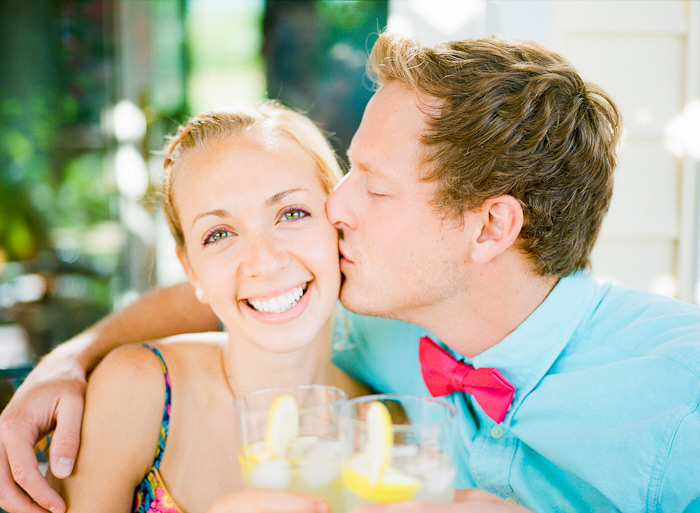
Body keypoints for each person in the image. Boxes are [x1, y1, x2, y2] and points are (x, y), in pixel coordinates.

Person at [2, 32, 700, 513]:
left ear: (490, 227)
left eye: (373, 182)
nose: (336, 204)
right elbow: (231, 289)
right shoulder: (373, 326)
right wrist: (65, 361)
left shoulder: (681, 384)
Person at [28, 101, 367, 513]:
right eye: (219, 234)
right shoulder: (137, 392)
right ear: (191, 270)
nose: (265, 262)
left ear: (338, 222)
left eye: (292, 213)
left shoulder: (389, 429)